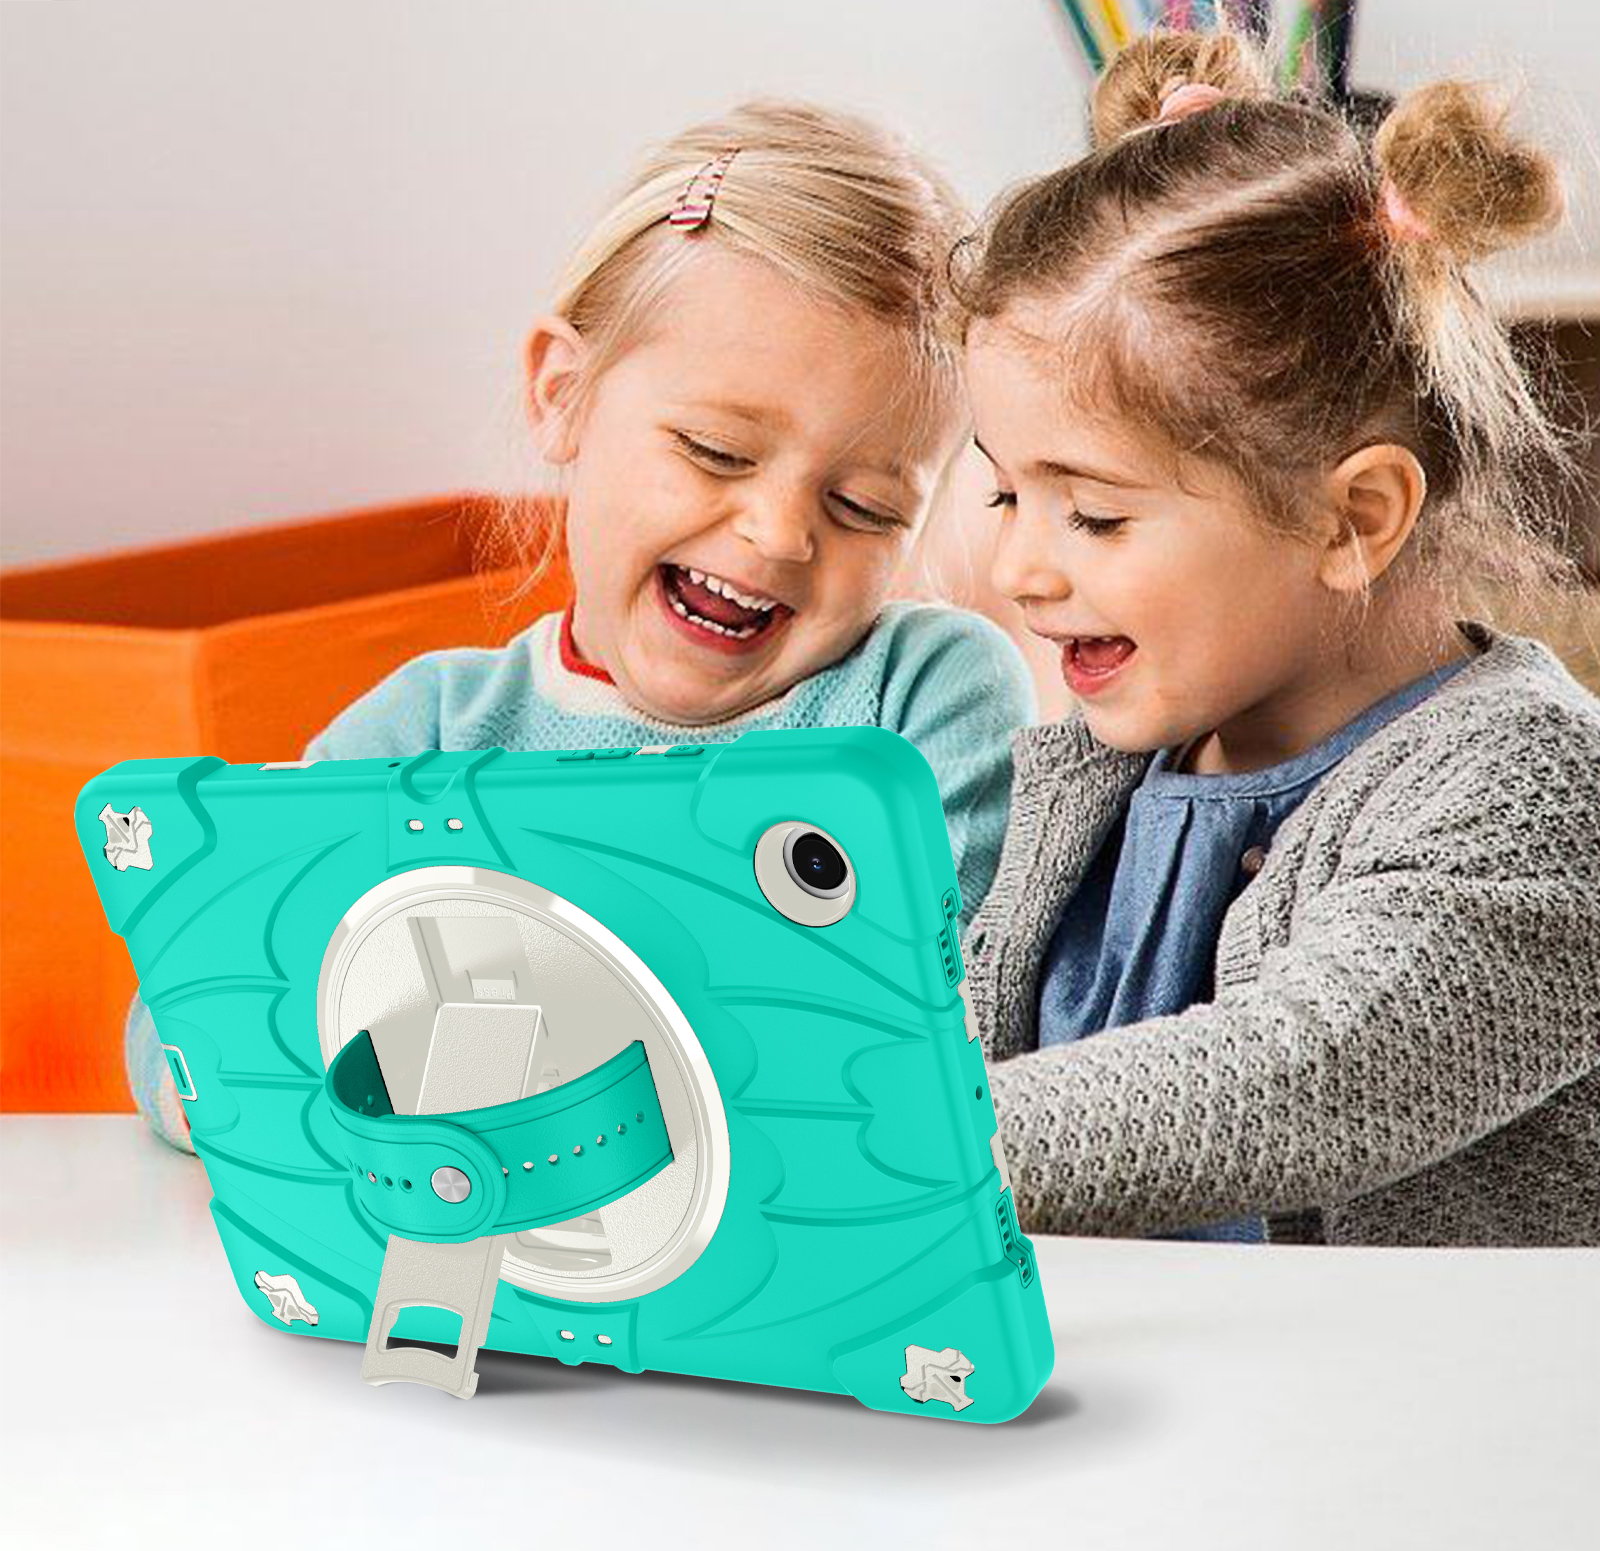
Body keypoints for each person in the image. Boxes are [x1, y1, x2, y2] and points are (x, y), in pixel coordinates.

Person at [128, 99, 1035, 1153]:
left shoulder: (928, 695)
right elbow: (180, 1033)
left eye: (863, 507)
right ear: (562, 396)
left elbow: (897, 1031)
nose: (781, 533)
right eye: (716, 451)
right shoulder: (427, 730)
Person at [958, 30, 1600, 1245]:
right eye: (1004, 493)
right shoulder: (1094, 773)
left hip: (1405, 1372)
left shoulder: (1540, 793)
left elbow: (1292, 1075)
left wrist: (881, 1145)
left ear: (1352, 518)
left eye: (1093, 514)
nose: (1017, 571)